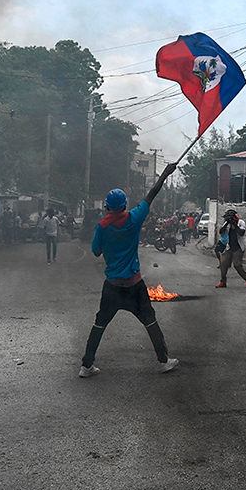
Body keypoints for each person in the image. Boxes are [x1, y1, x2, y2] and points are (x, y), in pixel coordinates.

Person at [80, 162, 180, 378]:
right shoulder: (134, 218)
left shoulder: (102, 227)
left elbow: (96, 251)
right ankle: (163, 361)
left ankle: (86, 366)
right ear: (124, 206)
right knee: (150, 321)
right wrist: (165, 173)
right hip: (134, 285)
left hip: (113, 286)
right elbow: (151, 194)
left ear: (107, 206)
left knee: (100, 324)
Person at [216, 209, 246, 288]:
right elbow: (221, 231)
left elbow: (241, 233)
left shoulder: (241, 222)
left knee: (237, 265)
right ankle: (223, 282)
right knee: (223, 263)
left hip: (238, 247)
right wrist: (227, 223)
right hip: (230, 246)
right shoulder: (227, 223)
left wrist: (235, 224)